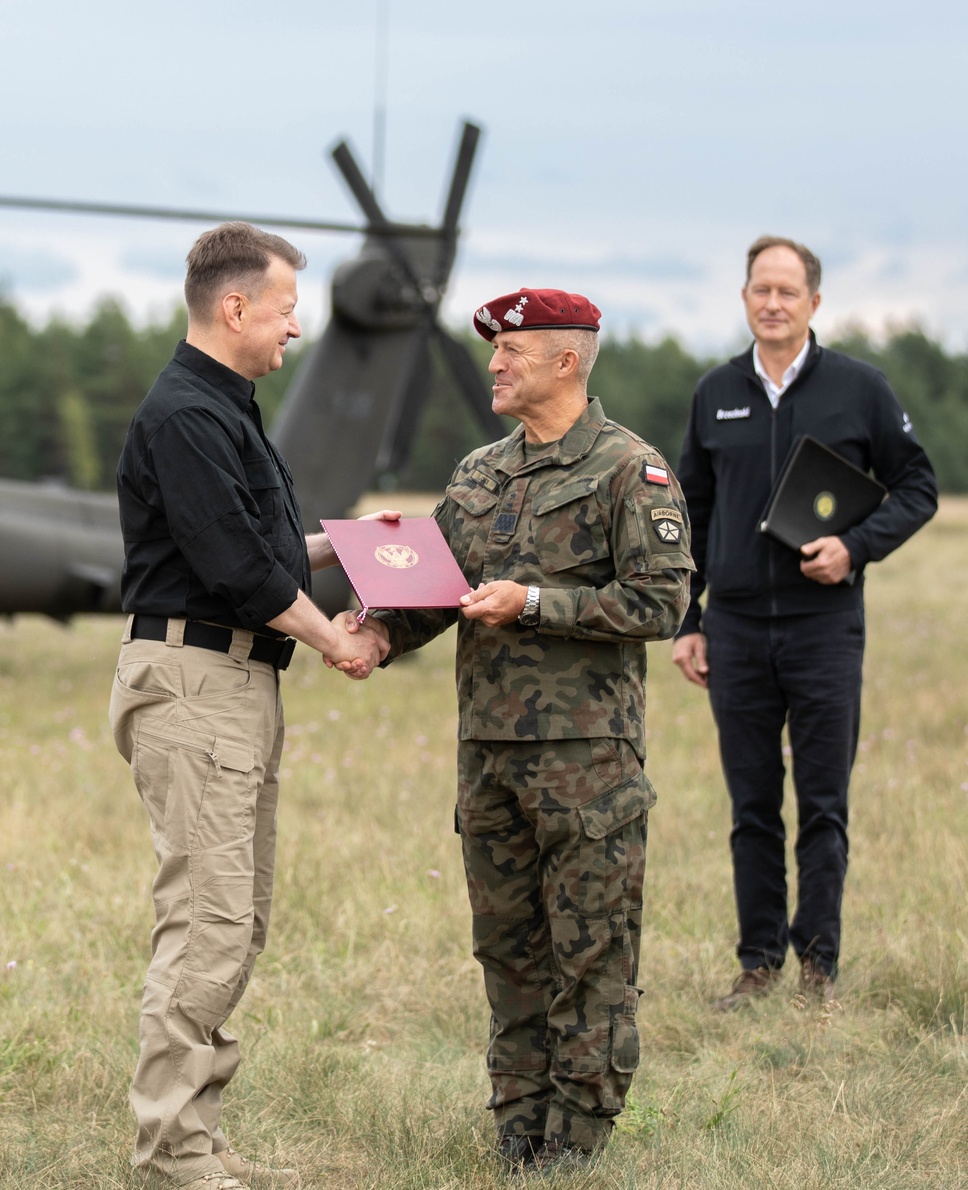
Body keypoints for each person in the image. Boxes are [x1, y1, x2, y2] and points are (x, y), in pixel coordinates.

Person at [332, 289, 693, 1174]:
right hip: (488, 759)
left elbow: (661, 601)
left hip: (586, 764)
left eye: (513, 351)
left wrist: (535, 604)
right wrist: (379, 630)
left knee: (590, 951)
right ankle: (517, 1136)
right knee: (509, 952)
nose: (494, 364)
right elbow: (434, 586)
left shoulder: (627, 471)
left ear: (566, 362)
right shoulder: (479, 472)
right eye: (494, 350)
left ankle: (576, 1145)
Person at [108, 221, 391, 1189]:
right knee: (208, 916)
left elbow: (258, 549)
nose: (294, 330)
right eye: (283, 310)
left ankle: (196, 1124)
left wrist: (364, 542)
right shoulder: (188, 414)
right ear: (234, 307)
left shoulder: (223, 409)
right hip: (195, 682)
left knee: (238, 915)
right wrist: (335, 637)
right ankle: (171, 1148)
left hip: (230, 680)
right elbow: (235, 570)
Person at [672, 236, 938, 1011]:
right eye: (761, 289)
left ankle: (818, 967)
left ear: (815, 303)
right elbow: (693, 511)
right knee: (752, 806)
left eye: (789, 291)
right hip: (737, 631)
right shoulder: (715, 391)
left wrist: (855, 549)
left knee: (824, 804)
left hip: (825, 628)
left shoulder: (860, 389)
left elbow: (917, 486)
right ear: (745, 297)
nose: (773, 303)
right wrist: (689, 618)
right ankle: (758, 965)